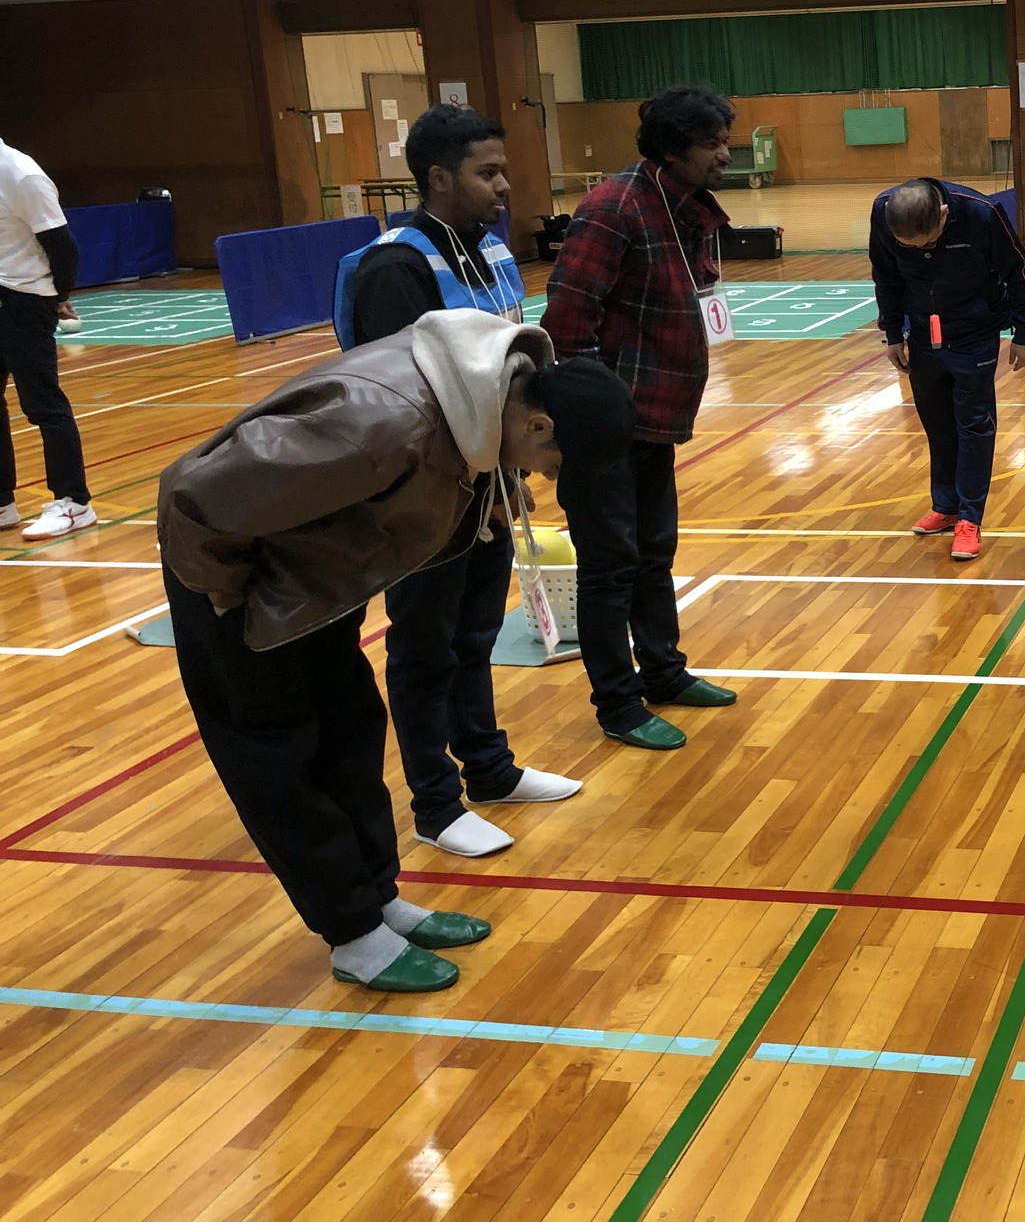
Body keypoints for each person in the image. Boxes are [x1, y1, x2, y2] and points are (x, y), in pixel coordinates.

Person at [158, 310, 636, 992]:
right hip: (234, 589)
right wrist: (232, 600)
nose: (544, 480)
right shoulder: (387, 424)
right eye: (551, 465)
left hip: (306, 584)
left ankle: (376, 902)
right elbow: (195, 497)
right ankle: (353, 937)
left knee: (351, 735)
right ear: (536, 426)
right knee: (283, 764)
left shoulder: (476, 412)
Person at [333, 103, 582, 859]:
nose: (504, 186)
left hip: (489, 489)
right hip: (427, 497)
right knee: (424, 647)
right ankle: (435, 806)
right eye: (487, 173)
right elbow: (396, 402)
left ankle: (490, 770)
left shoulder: (492, 251)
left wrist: (514, 470)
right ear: (439, 178)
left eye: (503, 169)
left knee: (474, 635)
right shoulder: (396, 268)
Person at [541, 85, 740, 751]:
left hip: (655, 418)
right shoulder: (613, 208)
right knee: (609, 565)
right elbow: (567, 324)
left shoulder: (680, 208)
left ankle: (663, 672)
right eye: (713, 142)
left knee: (653, 553)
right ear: (675, 149)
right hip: (608, 431)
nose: (725, 152)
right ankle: (618, 705)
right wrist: (598, 418)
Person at [868, 178, 1025, 561]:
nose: (923, 251)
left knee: (974, 424)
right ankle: (945, 506)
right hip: (922, 333)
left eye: (928, 242)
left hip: (974, 332)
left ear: (944, 214)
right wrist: (893, 332)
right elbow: (886, 275)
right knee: (936, 421)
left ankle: (970, 518)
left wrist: (1023, 331)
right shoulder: (883, 213)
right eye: (911, 247)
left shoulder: (980, 213)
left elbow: (1018, 270)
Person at [0, 134, 94, 541]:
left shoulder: (21, 174)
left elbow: (64, 248)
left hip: (25, 301)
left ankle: (75, 503)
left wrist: (57, 296)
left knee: (42, 404)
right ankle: (3, 503)